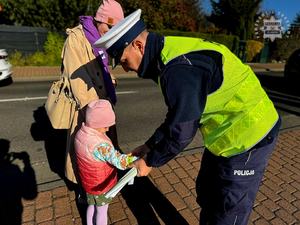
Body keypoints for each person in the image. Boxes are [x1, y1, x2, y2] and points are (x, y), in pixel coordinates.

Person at [94, 9, 281, 225]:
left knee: (228, 209)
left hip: (250, 135)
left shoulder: (177, 69)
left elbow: (182, 131)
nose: (126, 69)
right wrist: (149, 145)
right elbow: (178, 116)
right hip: (224, 134)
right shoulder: (166, 53)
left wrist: (149, 161)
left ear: (138, 45)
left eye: (124, 61)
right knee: (207, 192)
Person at [62, 0, 124, 185]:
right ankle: (86, 188)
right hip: (88, 110)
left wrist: (109, 79)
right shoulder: (77, 37)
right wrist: (94, 114)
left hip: (102, 107)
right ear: (99, 19)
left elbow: (101, 67)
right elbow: (76, 78)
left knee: (103, 150)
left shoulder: (101, 39)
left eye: (116, 28)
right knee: (86, 151)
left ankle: (104, 180)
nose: (112, 31)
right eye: (110, 26)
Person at [74, 99, 137, 225]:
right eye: (105, 125)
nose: (108, 129)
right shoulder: (100, 145)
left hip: (88, 182)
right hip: (101, 184)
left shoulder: (80, 133)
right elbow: (120, 162)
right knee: (101, 210)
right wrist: (134, 157)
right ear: (96, 123)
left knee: (91, 204)